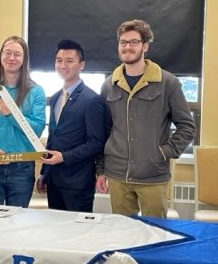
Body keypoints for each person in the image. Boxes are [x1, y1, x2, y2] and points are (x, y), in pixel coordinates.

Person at [96, 19, 196, 218]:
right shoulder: (109, 85)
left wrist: (162, 152)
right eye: (123, 42)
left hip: (152, 176)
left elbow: (187, 126)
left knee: (155, 234)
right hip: (117, 176)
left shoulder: (168, 82)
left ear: (145, 46)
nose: (127, 47)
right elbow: (104, 131)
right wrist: (100, 170)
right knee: (124, 235)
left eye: (134, 42)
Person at [36, 40, 107, 212]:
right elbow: (53, 137)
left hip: (78, 182)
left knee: (78, 234)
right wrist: (44, 172)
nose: (63, 65)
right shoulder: (54, 98)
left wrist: (64, 157)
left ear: (81, 65)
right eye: (59, 60)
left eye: (69, 60)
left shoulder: (92, 100)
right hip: (53, 180)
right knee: (57, 232)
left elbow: (96, 143)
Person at [0, 36, 46, 208]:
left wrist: (12, 114)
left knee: (16, 225)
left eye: (17, 54)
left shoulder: (36, 92)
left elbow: (36, 130)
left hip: (22, 169)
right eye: (7, 53)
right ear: (0, 56)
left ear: (24, 59)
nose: (12, 58)